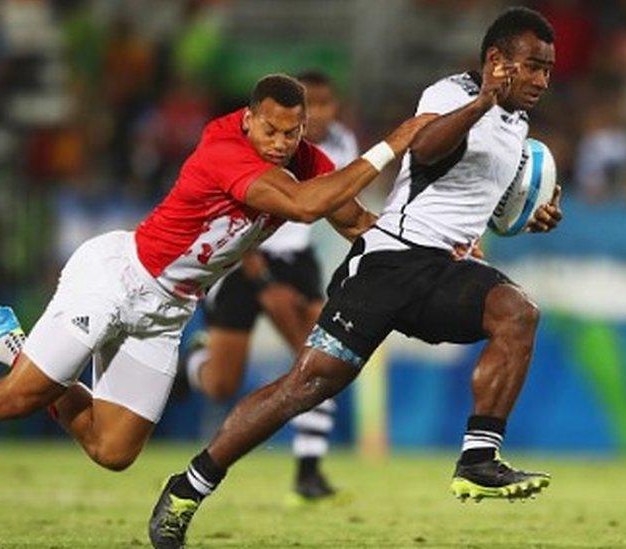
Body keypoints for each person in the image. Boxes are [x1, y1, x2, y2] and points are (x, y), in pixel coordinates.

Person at [0, 73, 427, 525]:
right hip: (116, 278)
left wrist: (431, 248)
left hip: (167, 311)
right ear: (247, 118)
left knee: (113, 452)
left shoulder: (300, 156)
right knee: (18, 399)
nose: (279, 142)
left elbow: (350, 217)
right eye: (269, 129)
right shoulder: (223, 151)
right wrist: (393, 143)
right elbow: (303, 205)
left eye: (291, 133)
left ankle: (9, 346)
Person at [148, 7, 563, 548]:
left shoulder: (517, 126)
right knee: (304, 387)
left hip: (442, 270)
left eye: (548, 70)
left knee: (518, 313)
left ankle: (479, 459)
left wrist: (528, 218)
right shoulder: (452, 92)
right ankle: (188, 487)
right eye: (531, 66)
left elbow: (475, 202)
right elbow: (426, 149)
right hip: (387, 263)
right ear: (495, 61)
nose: (541, 80)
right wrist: (482, 99)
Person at [183, 70, 358, 503]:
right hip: (243, 257)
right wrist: (261, 279)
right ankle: (194, 362)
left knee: (322, 357)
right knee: (221, 384)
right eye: (308, 105)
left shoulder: (341, 146)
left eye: (323, 105)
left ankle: (308, 471)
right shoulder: (251, 144)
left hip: (297, 261)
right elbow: (232, 219)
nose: (316, 114)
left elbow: (343, 211)